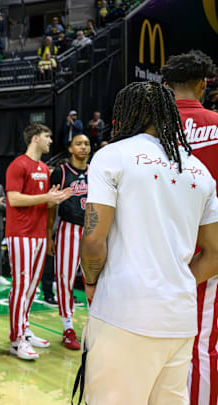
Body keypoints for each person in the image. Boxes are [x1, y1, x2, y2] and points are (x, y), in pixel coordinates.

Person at [78, 80, 218, 404]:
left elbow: (94, 238)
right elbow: (213, 255)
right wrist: (173, 281)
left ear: (126, 114)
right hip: (180, 319)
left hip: (123, 312)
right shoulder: (198, 170)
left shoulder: (111, 156)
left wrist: (90, 282)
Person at [161, 50, 218, 405]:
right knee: (203, 343)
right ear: (203, 84)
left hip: (157, 247)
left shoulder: (147, 130)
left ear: (165, 86)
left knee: (155, 341)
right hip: (208, 248)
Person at [5, 123, 72, 360]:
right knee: (21, 287)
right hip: (20, 234)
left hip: (39, 234)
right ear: (35, 138)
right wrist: (47, 197)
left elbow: (42, 201)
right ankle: (16, 340)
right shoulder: (18, 165)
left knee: (31, 289)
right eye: (47, 136)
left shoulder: (44, 168)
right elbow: (13, 199)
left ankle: (24, 328)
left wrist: (57, 199)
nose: (50, 141)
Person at [46, 134, 90, 350]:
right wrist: (48, 234)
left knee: (96, 279)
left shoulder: (96, 171)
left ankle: (96, 325)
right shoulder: (61, 172)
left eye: (86, 144)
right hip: (68, 228)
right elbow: (51, 205)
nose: (83, 147)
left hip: (93, 230)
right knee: (65, 278)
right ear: (71, 149)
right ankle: (68, 327)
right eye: (79, 144)